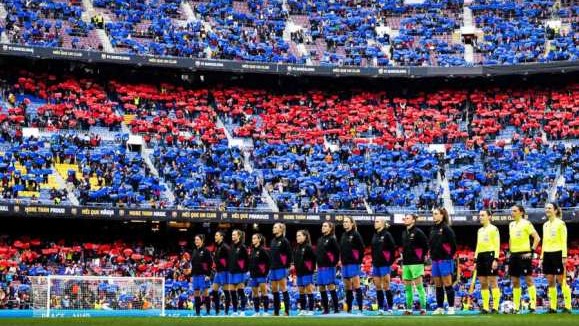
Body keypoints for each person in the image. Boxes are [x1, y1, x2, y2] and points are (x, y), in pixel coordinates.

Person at [508, 205, 540, 314]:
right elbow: (510, 239)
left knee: (528, 280)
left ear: (521, 212)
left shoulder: (526, 223)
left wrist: (531, 251)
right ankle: (516, 307)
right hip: (513, 255)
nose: (512, 212)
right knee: (515, 281)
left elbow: (537, 238)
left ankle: (533, 305)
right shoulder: (511, 224)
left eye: (514, 211)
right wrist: (510, 252)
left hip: (524, 254)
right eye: (511, 211)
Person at [541, 202, 571, 313]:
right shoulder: (545, 225)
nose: (547, 209)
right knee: (550, 281)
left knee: (561, 280)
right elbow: (544, 241)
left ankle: (568, 306)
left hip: (558, 253)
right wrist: (541, 256)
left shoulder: (561, 224)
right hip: (547, 254)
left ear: (555, 210)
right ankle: (553, 307)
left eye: (549, 208)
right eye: (546, 208)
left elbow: (564, 240)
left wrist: (564, 255)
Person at [429, 207, 457, 315]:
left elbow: (453, 244)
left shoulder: (446, 228)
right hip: (435, 260)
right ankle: (440, 308)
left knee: (447, 284)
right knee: (438, 285)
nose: (434, 215)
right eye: (433, 214)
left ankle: (451, 307)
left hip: (445, 260)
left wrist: (448, 255)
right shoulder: (432, 228)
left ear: (442, 215)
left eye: (436, 214)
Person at [401, 214, 429, 315]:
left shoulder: (418, 232)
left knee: (419, 287)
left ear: (413, 221)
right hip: (406, 263)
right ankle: (409, 309)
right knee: (407, 288)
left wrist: (420, 257)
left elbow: (425, 246)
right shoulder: (404, 233)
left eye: (407, 218)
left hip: (416, 263)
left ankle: (423, 309)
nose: (405, 219)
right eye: (405, 218)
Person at [475, 209, 501, 314]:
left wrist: (495, 259)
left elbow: (497, 244)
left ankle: (495, 307)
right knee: (483, 283)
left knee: (493, 282)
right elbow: (478, 245)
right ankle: (485, 307)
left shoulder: (494, 229)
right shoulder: (479, 230)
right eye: (479, 215)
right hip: (480, 256)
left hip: (490, 255)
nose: (480, 217)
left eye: (482, 215)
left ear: (489, 217)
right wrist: (475, 259)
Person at [371, 216, 396, 315]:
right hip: (376, 264)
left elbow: (392, 249)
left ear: (382, 223)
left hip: (384, 264)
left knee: (386, 286)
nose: (375, 223)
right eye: (375, 222)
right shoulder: (375, 235)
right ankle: (380, 308)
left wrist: (389, 261)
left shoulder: (387, 235)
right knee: (378, 286)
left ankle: (390, 308)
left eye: (377, 222)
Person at [340, 216, 365, 314]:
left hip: (353, 263)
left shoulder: (356, 234)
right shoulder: (343, 235)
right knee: (347, 287)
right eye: (344, 222)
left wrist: (358, 260)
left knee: (357, 286)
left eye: (347, 222)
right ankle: (349, 309)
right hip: (345, 263)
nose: (345, 223)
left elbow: (361, 248)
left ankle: (360, 309)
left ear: (352, 223)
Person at [316, 221, 340, 314]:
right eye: (322, 226)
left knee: (330, 286)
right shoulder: (320, 239)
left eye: (325, 226)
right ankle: (326, 309)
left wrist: (333, 263)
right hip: (320, 268)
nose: (323, 227)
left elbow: (337, 252)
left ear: (330, 228)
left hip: (329, 267)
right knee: (321, 287)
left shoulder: (332, 239)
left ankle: (336, 309)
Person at [269, 223, 292, 316]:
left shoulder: (284, 241)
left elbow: (289, 254)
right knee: (274, 289)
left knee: (283, 288)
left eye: (275, 227)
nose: (273, 228)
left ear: (281, 229)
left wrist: (286, 265)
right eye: (273, 227)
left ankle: (286, 311)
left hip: (281, 268)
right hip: (273, 268)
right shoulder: (273, 241)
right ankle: (276, 311)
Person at [249, 233, 270, 317]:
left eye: (254, 238)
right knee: (255, 294)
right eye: (252, 238)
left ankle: (265, 312)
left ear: (259, 239)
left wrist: (265, 273)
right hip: (253, 275)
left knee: (264, 293)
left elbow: (268, 262)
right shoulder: (252, 250)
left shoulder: (262, 250)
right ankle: (257, 312)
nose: (253, 240)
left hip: (261, 275)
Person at [191, 234, 213, 316]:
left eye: (198, 240)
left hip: (203, 275)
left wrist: (208, 274)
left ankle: (208, 311)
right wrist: (191, 275)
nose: (196, 241)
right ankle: (197, 312)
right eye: (195, 240)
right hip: (195, 276)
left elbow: (210, 263)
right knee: (196, 293)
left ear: (202, 241)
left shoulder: (206, 251)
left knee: (205, 293)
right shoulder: (194, 251)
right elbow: (193, 264)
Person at [228, 229, 249, 316]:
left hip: (240, 272)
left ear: (239, 236)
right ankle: (235, 311)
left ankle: (243, 311)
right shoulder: (232, 246)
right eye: (232, 235)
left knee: (240, 292)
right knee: (232, 292)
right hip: (232, 272)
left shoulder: (243, 247)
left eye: (234, 235)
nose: (233, 236)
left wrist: (245, 271)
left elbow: (247, 260)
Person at [211, 231, 231, 315]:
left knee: (226, 292)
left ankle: (226, 311)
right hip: (218, 272)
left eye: (217, 235)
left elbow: (230, 259)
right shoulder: (217, 247)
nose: (215, 237)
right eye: (215, 235)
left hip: (225, 272)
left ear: (221, 237)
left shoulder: (225, 247)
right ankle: (217, 310)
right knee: (214, 291)